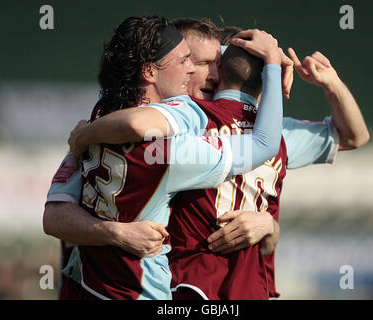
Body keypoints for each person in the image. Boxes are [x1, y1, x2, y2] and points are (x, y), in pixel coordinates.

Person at [44, 15, 285, 300]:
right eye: (186, 61)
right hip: (141, 290)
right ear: (150, 72)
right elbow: (264, 143)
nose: (195, 71)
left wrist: (268, 225)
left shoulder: (102, 113)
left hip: (90, 287)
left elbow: (53, 215)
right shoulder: (172, 148)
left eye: (212, 63)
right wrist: (271, 66)